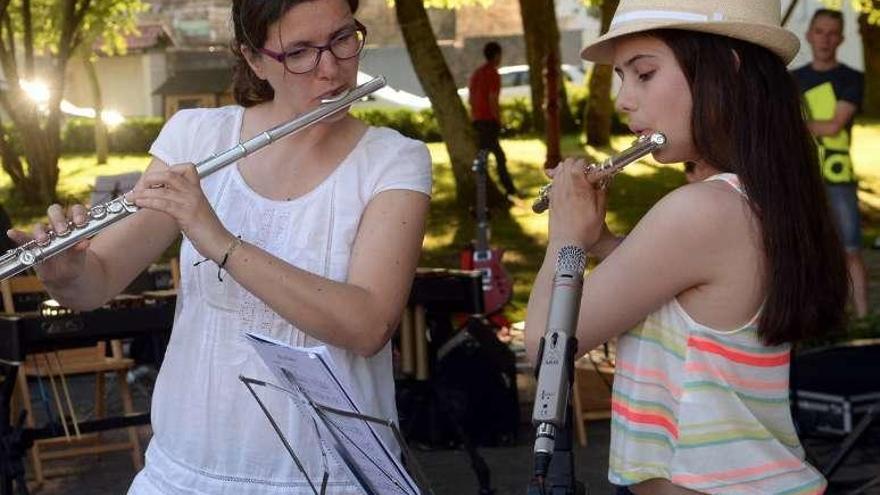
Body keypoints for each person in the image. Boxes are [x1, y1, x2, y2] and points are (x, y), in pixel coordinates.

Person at [7, 0, 432, 492]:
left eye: (342, 38)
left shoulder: (394, 160)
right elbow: (96, 282)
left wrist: (221, 241)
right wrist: (63, 273)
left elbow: (367, 325)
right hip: (185, 469)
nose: (331, 69)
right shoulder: (196, 136)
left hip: (325, 476)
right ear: (253, 59)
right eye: (298, 52)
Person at [525, 0, 847, 494]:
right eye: (620, 78)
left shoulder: (698, 211)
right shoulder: (753, 200)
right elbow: (681, 296)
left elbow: (546, 347)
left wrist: (564, 241)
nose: (624, 100)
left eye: (645, 74)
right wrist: (601, 241)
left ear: (728, 72)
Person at [792, 9, 868, 318]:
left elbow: (834, 125)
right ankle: (814, 317)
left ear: (841, 38)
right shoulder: (793, 80)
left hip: (838, 175)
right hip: (803, 175)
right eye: (820, 31)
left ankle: (864, 317)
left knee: (849, 249)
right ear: (809, 35)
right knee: (804, 250)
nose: (825, 39)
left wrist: (793, 124)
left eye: (832, 33)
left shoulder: (851, 78)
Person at [468, 41, 519, 198]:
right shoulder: (493, 74)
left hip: (477, 120)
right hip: (489, 121)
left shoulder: (477, 73)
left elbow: (470, 99)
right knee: (497, 156)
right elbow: (493, 99)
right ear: (496, 55)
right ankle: (508, 190)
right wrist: (498, 120)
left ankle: (507, 189)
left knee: (488, 155)